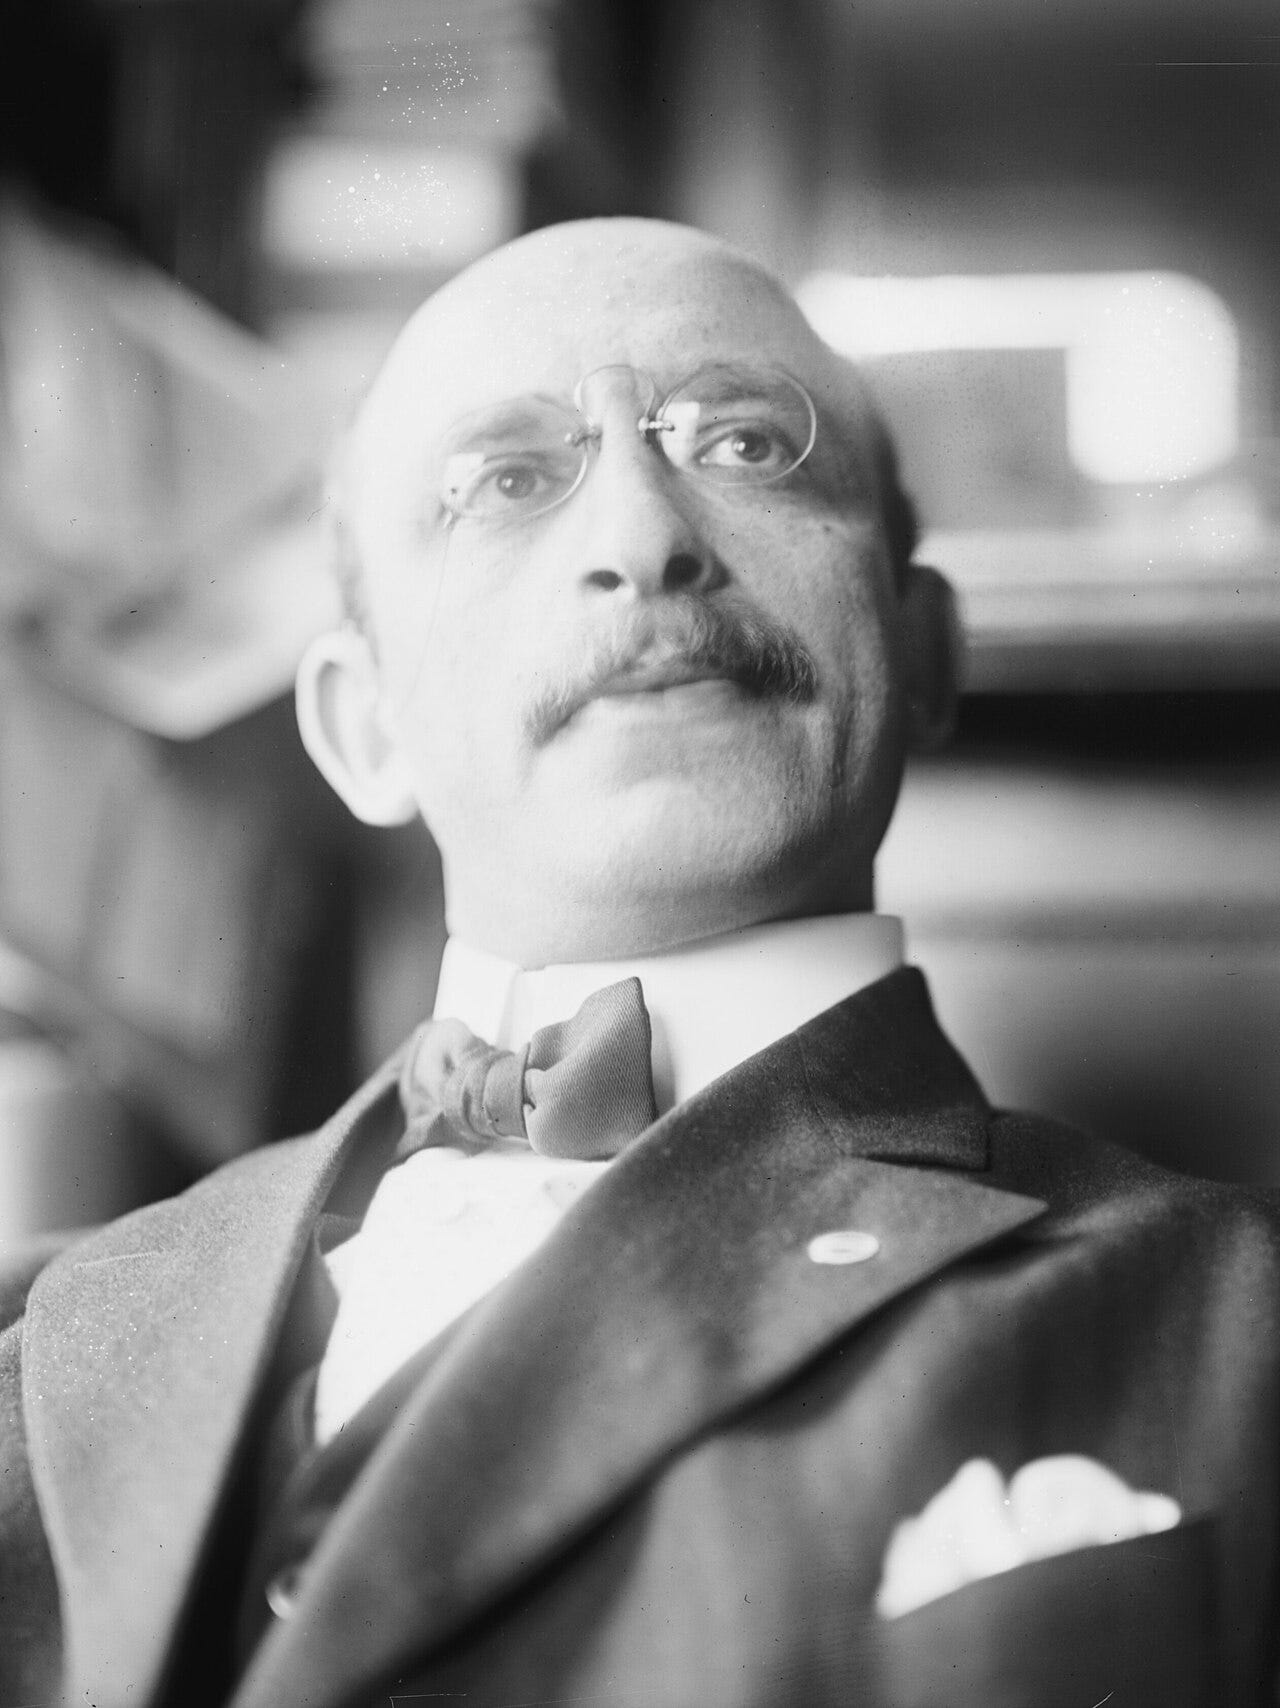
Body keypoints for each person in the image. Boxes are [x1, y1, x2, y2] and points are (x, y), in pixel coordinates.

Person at [1, 218, 1277, 1708]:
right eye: (506, 480)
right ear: (366, 729)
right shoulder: (40, 1339)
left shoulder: (1237, 1323)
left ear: (925, 651)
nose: (640, 539)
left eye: (744, 443)